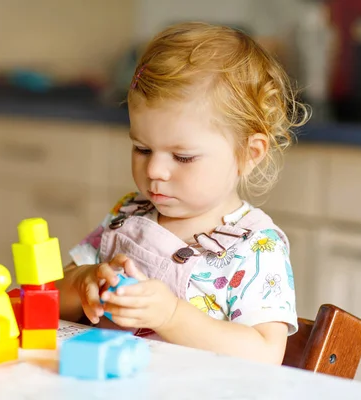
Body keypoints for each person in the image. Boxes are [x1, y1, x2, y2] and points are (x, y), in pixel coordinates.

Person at [56, 21, 309, 364]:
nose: (154, 170)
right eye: (142, 149)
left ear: (250, 154)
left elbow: (265, 354)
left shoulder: (256, 246)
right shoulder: (130, 214)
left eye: (182, 157)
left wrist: (171, 316)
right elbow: (50, 298)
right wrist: (82, 284)